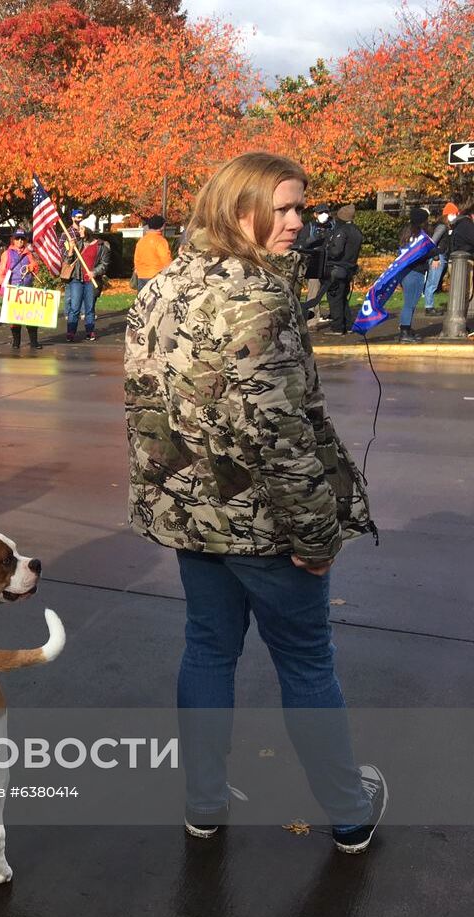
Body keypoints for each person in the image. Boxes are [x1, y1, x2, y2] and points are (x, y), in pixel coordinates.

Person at [126, 151, 386, 854]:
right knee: (306, 662)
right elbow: (277, 434)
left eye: (301, 207)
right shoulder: (258, 299)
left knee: (207, 650)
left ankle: (204, 804)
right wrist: (314, 535)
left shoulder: (162, 286)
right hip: (263, 524)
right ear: (241, 211)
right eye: (287, 207)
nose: (300, 222)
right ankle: (348, 810)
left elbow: (152, 405)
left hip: (192, 514)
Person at [0, 228, 40, 349]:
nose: (20, 241)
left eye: (22, 239)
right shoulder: (7, 254)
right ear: (13, 240)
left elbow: (36, 268)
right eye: (17, 238)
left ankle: (34, 342)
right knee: (15, 318)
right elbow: (2, 272)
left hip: (27, 289)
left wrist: (32, 267)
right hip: (13, 290)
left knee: (31, 317)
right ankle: (16, 342)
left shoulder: (29, 253)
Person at [63, 223, 109, 342]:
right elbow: (68, 261)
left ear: (88, 230)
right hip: (76, 279)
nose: (79, 231)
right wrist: (71, 249)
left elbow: (104, 264)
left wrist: (94, 272)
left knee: (89, 308)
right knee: (74, 308)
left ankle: (89, 331)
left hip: (91, 281)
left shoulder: (101, 245)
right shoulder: (77, 243)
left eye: (82, 228)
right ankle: (71, 332)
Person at [323, 205, 363, 335]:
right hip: (349, 268)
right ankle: (349, 325)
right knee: (343, 298)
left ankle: (337, 327)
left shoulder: (342, 231)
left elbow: (336, 251)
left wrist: (327, 250)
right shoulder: (357, 230)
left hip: (337, 268)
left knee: (334, 298)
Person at [397, 206, 431, 343]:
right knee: (410, 303)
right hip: (415, 272)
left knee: (409, 302)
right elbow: (422, 254)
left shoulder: (406, 233)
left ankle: (407, 328)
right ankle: (404, 332)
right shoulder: (421, 236)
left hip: (405, 271)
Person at [295, 203, 333, 308]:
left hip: (330, 262)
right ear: (315, 214)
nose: (324, 215)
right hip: (315, 263)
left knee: (333, 291)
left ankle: (334, 316)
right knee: (314, 291)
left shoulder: (333, 226)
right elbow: (301, 245)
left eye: (326, 212)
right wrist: (312, 240)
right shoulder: (309, 227)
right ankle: (312, 318)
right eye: (321, 213)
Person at [132, 214, 172, 290]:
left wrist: (138, 270)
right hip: (156, 275)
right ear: (162, 226)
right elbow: (166, 259)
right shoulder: (160, 241)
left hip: (142, 276)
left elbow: (136, 258)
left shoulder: (141, 241)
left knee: (143, 300)